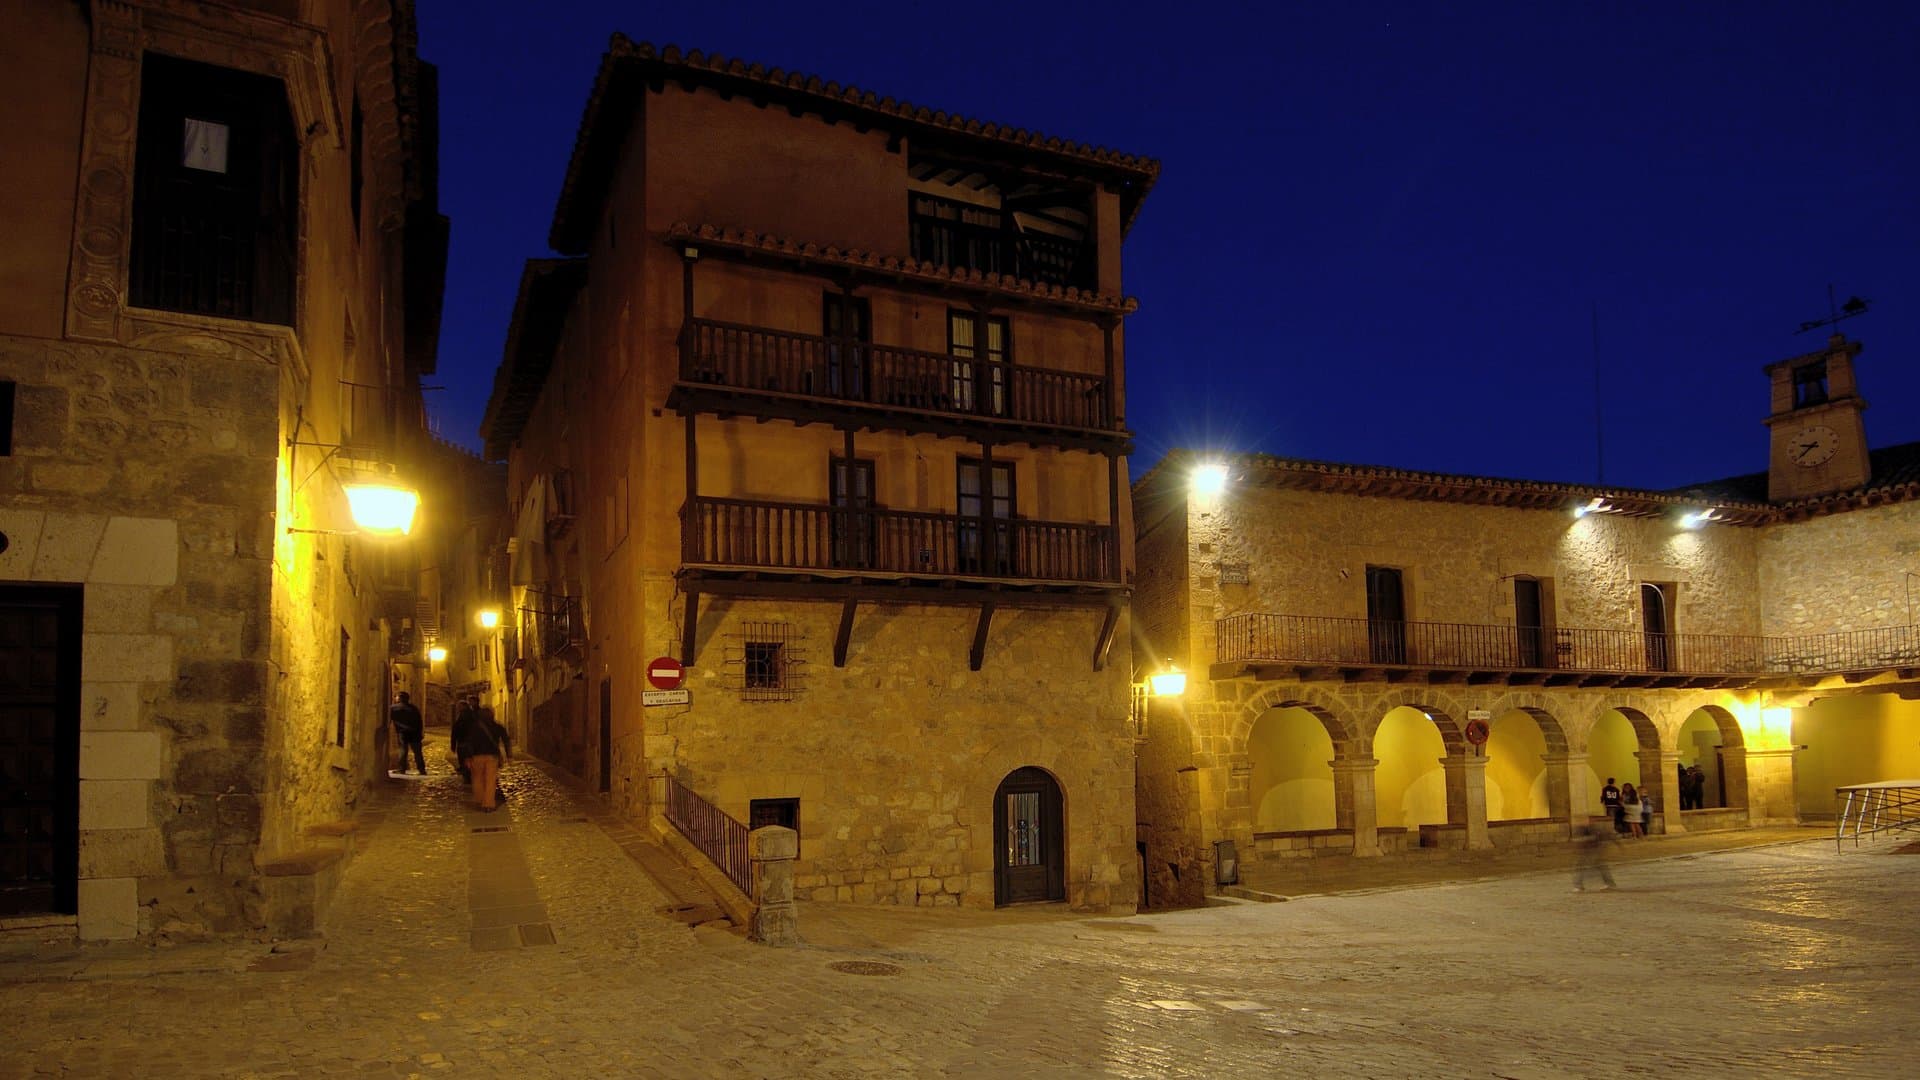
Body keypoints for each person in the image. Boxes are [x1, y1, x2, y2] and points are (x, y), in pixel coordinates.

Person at [461, 705, 511, 812]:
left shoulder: (473, 727)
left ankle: (480, 800)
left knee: (477, 779)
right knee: (490, 780)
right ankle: (488, 804)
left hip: (476, 756)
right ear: (492, 715)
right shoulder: (498, 727)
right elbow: (506, 740)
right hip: (492, 757)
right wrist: (509, 755)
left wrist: (468, 757)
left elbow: (468, 743)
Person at [1573, 820, 1616, 892]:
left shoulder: (1591, 829)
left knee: (1582, 867)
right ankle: (1579, 885)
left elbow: (1597, 839)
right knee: (1600, 867)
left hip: (1593, 851)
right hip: (1589, 851)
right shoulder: (1582, 829)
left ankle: (1579, 886)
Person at [390, 692, 426, 775]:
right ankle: (422, 769)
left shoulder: (393, 708)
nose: (395, 698)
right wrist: (420, 733)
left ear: (399, 698)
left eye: (396, 696)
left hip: (402, 733)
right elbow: (419, 721)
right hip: (415, 733)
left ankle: (402, 769)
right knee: (417, 752)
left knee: (403, 750)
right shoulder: (413, 708)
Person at [451, 696, 478, 783]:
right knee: (467, 760)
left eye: (459, 706)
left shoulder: (464, 715)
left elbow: (457, 729)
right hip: (468, 741)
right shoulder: (469, 714)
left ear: (463, 706)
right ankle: (468, 776)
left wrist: (453, 743)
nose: (457, 708)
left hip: (464, 741)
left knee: (464, 760)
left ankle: (467, 777)